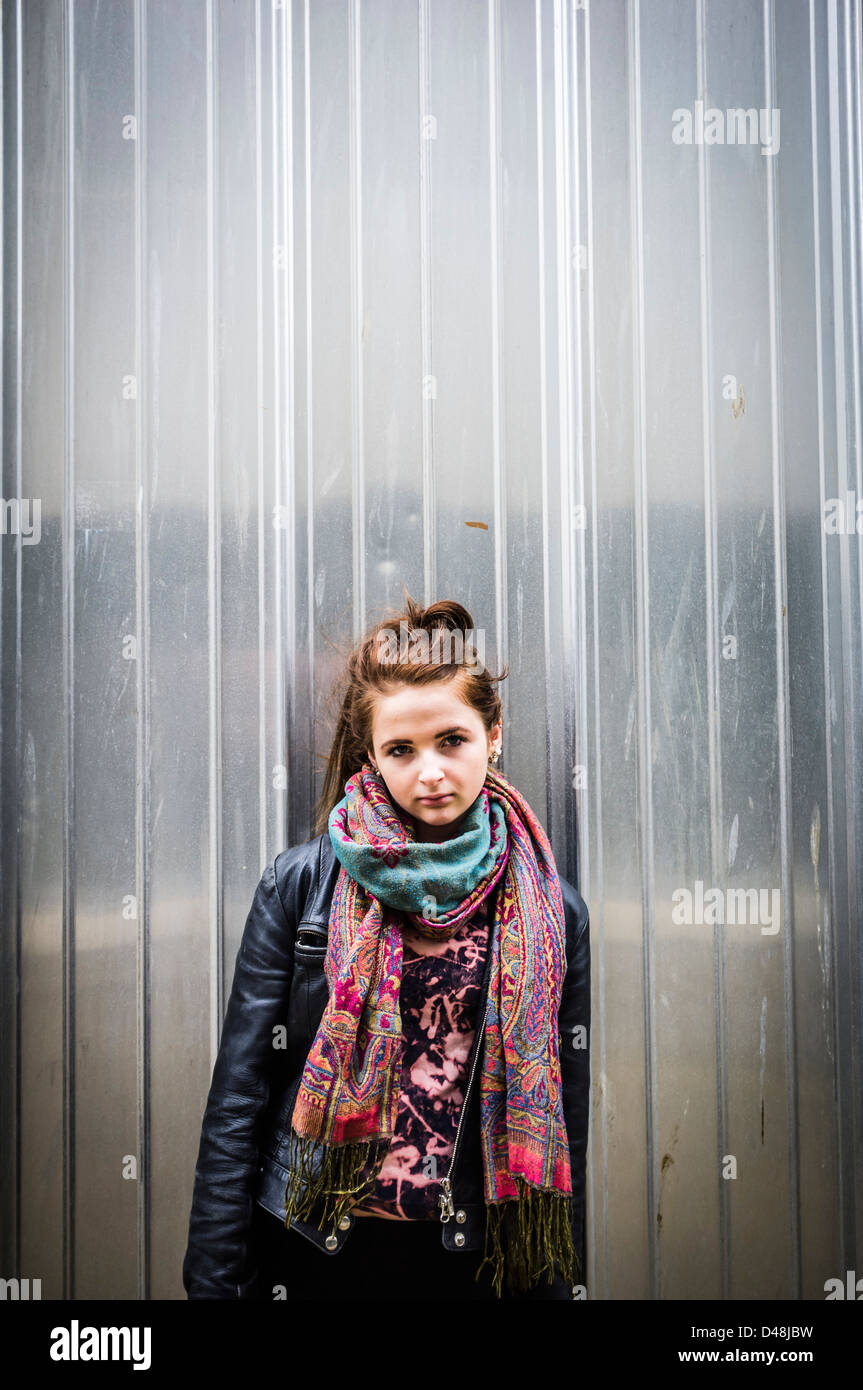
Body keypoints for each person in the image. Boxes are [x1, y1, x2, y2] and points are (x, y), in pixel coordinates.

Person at [182, 594, 590, 1300]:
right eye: (401, 749)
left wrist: (554, 1280)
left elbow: (564, 1110)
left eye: (451, 741)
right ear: (370, 755)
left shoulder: (551, 908)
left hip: (477, 1254)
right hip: (318, 1246)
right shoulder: (300, 884)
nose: (429, 771)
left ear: (493, 733)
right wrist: (215, 1283)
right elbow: (240, 1094)